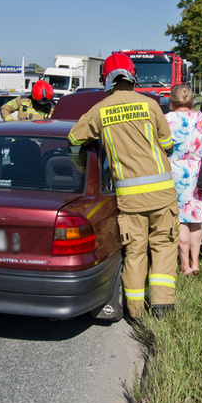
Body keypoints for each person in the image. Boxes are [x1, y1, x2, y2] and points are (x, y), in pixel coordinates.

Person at [68, 52, 179, 320]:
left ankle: (135, 312)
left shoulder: (100, 111)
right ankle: (163, 307)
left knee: (135, 252)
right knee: (163, 246)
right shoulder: (150, 104)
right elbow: (168, 145)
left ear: (106, 80)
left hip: (129, 200)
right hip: (162, 195)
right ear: (133, 77)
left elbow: (74, 138)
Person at [165, 84, 202, 275]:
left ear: (171, 102)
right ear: (191, 101)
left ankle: (184, 265)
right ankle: (195, 263)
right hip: (200, 173)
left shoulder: (166, 120)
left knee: (181, 219)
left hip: (174, 174)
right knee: (196, 219)